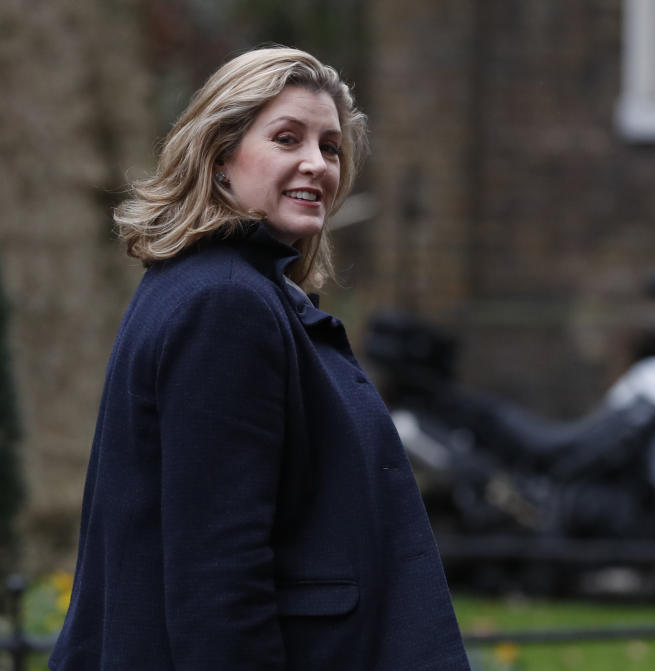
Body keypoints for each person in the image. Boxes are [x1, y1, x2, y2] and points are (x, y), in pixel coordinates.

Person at [49, 46, 471, 671]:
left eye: (330, 147)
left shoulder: (213, 287)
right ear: (219, 157)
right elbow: (218, 574)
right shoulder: (225, 304)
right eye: (286, 138)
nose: (316, 164)